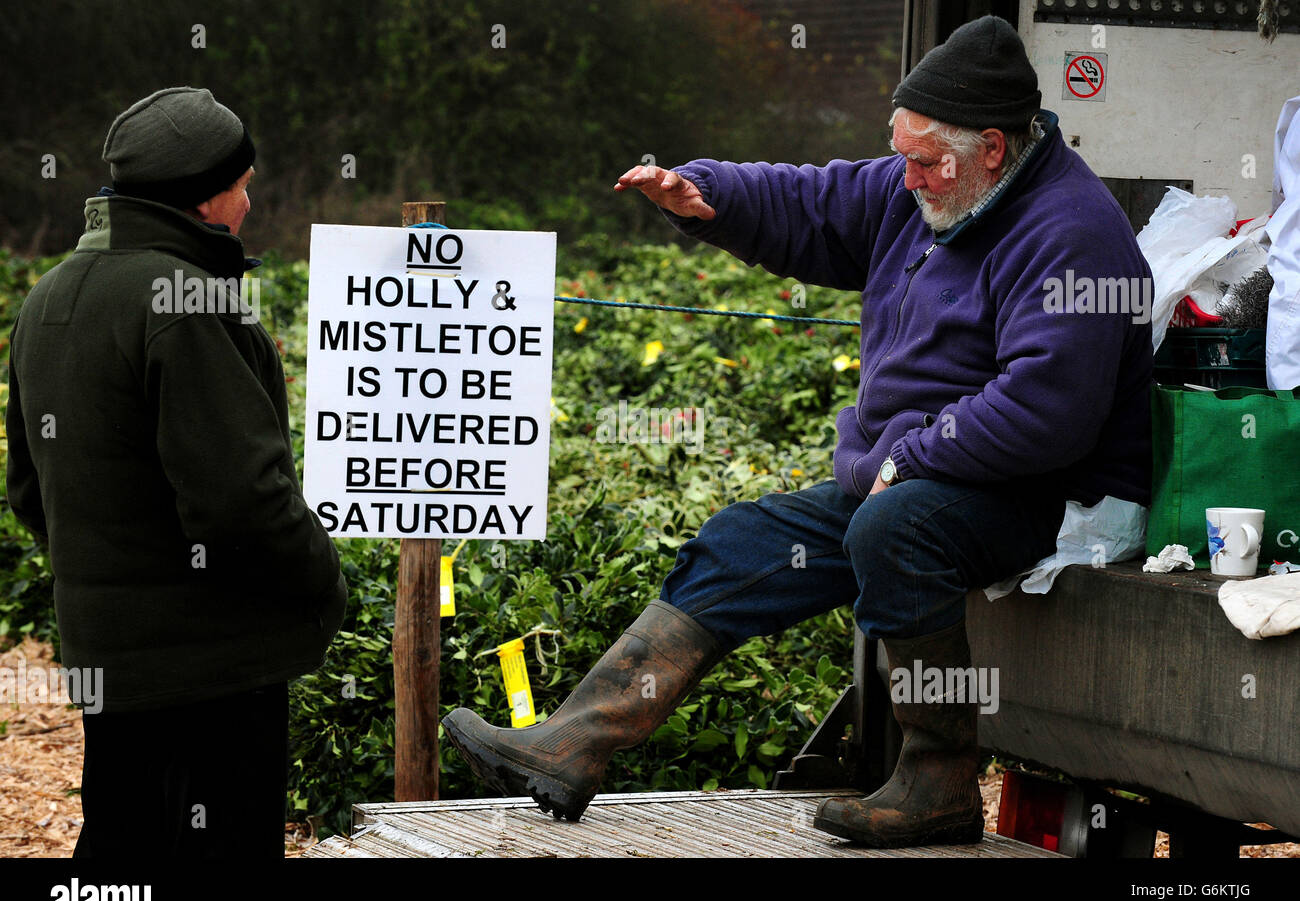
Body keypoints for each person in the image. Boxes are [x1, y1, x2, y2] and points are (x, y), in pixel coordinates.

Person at [442, 16, 1152, 848]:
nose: (906, 177)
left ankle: (941, 781)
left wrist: (908, 456)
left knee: (896, 526)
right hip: (916, 475)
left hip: (1043, 493)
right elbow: (814, 201)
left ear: (993, 149)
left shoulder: (1073, 236)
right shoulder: (926, 187)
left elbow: (1044, 414)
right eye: (902, 155)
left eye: (925, 162)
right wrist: (708, 195)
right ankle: (572, 746)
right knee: (744, 538)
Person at [5, 87, 347, 857]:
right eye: (242, 184)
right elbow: (242, 505)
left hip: (109, 657)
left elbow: (28, 491)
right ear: (203, 196)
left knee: (122, 849)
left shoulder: (48, 296)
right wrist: (323, 580)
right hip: (213, 667)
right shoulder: (186, 301)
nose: (250, 203)